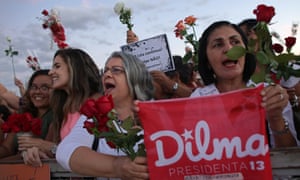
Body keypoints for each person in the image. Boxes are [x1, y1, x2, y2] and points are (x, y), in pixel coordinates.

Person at [190, 20, 298, 148]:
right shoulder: (198, 100)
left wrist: (276, 118)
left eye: (235, 42)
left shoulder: (270, 94)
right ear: (207, 60)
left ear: (246, 54)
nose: (229, 49)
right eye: (218, 45)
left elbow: (290, 157)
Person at [56, 51, 153, 179]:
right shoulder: (95, 116)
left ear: (135, 76)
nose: (107, 74)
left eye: (116, 70)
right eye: (105, 71)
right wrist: (118, 166)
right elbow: (65, 151)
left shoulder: (157, 111)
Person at [22, 48, 103, 166]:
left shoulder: (97, 102)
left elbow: (97, 148)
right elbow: (50, 148)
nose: (50, 72)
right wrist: (35, 153)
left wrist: (50, 147)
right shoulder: (62, 108)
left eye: (57, 66)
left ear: (74, 68)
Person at [0, 69, 54, 159]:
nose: (37, 92)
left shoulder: (57, 116)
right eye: (33, 87)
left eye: (45, 88)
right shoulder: (22, 115)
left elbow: (44, 154)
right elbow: (7, 148)